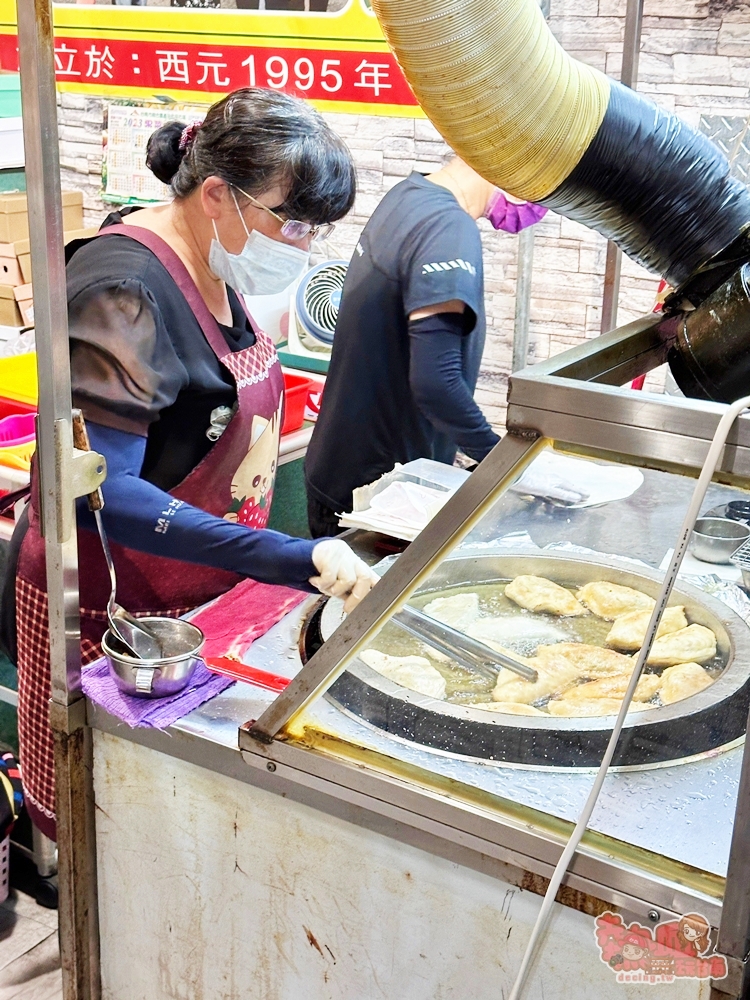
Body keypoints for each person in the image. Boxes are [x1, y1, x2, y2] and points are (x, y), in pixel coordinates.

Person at [10, 87, 378, 841]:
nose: (304, 245)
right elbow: (96, 494)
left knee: (171, 825)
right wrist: (288, 555)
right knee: (107, 831)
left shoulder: (220, 261)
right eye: (294, 221)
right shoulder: (123, 289)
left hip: (192, 593)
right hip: (110, 601)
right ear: (218, 194)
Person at [304, 156, 546, 538]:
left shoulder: (408, 195)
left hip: (341, 467)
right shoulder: (447, 226)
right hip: (377, 495)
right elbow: (437, 383)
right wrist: (511, 465)